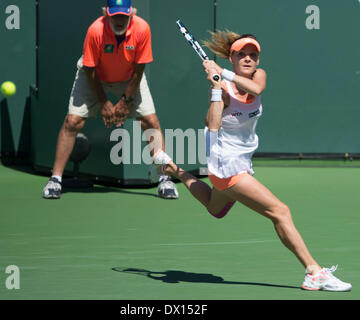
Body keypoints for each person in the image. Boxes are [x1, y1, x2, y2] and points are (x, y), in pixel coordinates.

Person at [150, 30, 351, 291]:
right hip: (226, 164)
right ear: (232, 58)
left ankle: (172, 168)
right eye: (241, 54)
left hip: (240, 160)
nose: (248, 59)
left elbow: (256, 88)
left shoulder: (258, 76)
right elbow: (211, 125)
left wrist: (224, 73)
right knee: (280, 212)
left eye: (252, 55)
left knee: (215, 207)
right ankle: (313, 271)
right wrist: (215, 88)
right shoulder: (223, 88)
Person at [43, 0, 178, 199]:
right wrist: (104, 102)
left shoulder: (142, 29)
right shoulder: (95, 30)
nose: (120, 20)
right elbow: (89, 69)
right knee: (72, 122)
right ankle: (55, 180)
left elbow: (140, 68)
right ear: (106, 13)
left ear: (132, 13)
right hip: (94, 75)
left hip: (129, 77)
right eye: (115, 16)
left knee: (150, 121)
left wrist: (126, 100)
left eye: (124, 15)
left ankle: (164, 179)